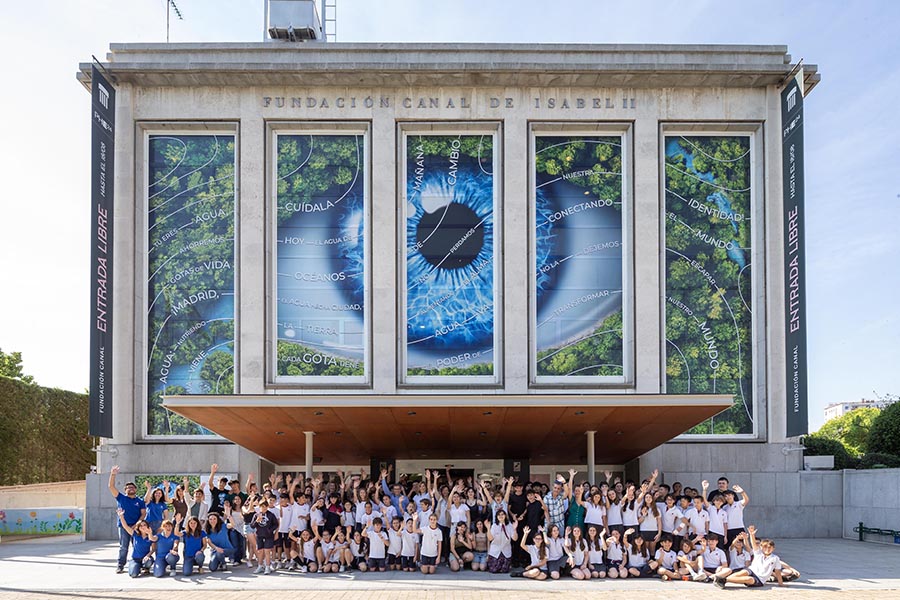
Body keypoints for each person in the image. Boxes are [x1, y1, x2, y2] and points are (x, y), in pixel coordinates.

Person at [714, 525, 785, 588]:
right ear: (761, 547)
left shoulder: (775, 558)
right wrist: (752, 535)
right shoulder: (758, 553)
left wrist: (781, 583)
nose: (767, 549)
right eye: (765, 547)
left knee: (749, 579)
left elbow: (777, 572)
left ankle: (722, 580)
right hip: (751, 570)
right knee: (740, 573)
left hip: (760, 579)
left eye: (770, 547)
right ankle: (721, 580)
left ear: (773, 548)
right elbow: (753, 544)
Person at [109, 465, 147, 574]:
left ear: (135, 489)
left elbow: (143, 514)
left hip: (136, 527)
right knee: (123, 547)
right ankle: (120, 565)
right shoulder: (121, 498)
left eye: (132, 487)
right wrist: (113, 474)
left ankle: (142, 564)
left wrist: (137, 525)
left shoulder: (140, 501)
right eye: (128, 487)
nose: (131, 489)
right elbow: (111, 487)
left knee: (138, 546)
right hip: (123, 526)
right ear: (125, 490)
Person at [251, 497, 279, 574]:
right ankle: (260, 566)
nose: (263, 508)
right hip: (259, 535)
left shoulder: (271, 515)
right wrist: (257, 521)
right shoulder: (256, 515)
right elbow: (252, 526)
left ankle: (267, 567)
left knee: (267, 551)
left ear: (267, 507)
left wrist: (270, 530)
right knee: (260, 551)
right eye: (261, 506)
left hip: (268, 536)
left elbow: (276, 524)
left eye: (264, 506)